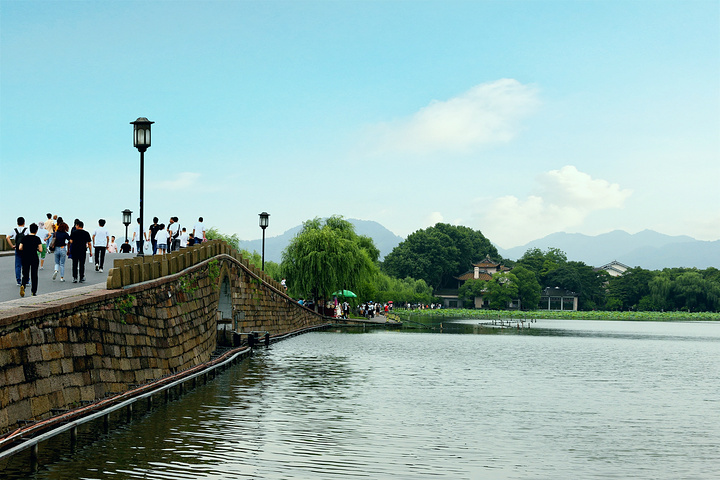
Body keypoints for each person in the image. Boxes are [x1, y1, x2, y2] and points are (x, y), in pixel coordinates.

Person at [18, 223, 43, 297]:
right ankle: (33, 291)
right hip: (34, 257)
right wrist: (36, 248)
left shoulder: (24, 238)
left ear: (29, 229)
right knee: (34, 274)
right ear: (36, 230)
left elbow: (20, 248)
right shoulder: (37, 238)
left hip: (25, 257)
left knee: (25, 273)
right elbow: (41, 250)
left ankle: (23, 285)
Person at [7, 217, 28, 286]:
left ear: (17, 223)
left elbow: (7, 237)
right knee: (25, 265)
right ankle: (26, 280)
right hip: (25, 249)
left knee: (18, 265)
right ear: (24, 222)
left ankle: (18, 281)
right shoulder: (26, 230)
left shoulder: (14, 230)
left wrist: (12, 246)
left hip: (17, 249)